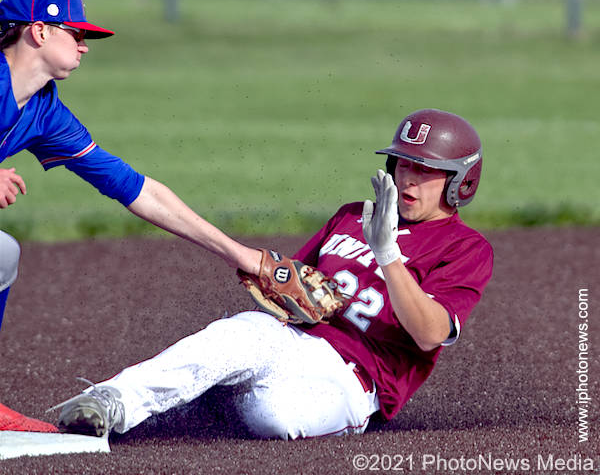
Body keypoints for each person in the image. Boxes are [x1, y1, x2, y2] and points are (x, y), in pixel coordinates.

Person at [52, 108, 494, 440]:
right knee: (243, 333)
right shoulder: (350, 215)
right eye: (404, 164)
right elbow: (295, 285)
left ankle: (214, 393)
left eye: (426, 169)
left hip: (352, 384)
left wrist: (387, 253)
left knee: (275, 417)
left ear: (460, 182)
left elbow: (430, 333)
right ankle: (110, 402)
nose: (409, 179)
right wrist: (276, 282)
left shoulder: (466, 248)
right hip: (292, 342)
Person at [0, 0, 260, 431]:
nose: (85, 45)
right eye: (76, 33)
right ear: (39, 31)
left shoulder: (43, 111)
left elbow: (135, 188)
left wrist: (242, 257)